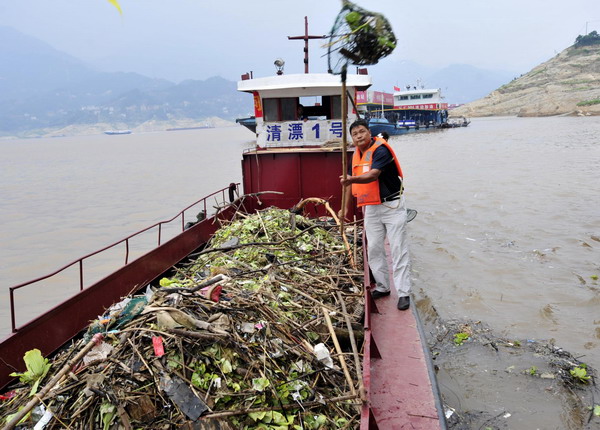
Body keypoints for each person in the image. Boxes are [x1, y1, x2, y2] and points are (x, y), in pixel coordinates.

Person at [340, 119, 411, 310]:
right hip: (371, 207)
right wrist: (344, 209)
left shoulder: (381, 150)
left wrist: (351, 179)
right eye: (355, 134)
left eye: (362, 132)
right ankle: (383, 286)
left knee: (398, 249)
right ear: (352, 138)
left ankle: (403, 293)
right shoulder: (354, 156)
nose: (359, 136)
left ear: (369, 132)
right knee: (374, 249)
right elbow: (348, 184)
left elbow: (373, 175)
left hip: (392, 206)